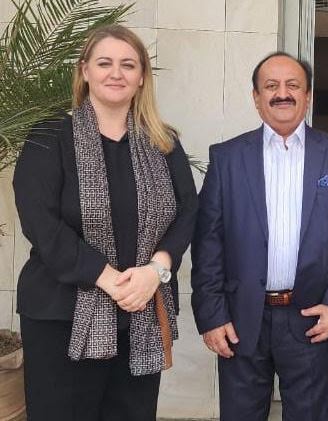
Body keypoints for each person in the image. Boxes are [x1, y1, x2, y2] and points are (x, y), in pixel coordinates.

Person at [13, 24, 198, 421]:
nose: (116, 73)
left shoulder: (163, 141)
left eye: (128, 64)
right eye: (104, 63)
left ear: (142, 76)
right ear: (84, 71)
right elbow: (40, 221)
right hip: (61, 315)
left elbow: (188, 212)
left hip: (140, 312)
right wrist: (107, 278)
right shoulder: (50, 135)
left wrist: (156, 270)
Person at [191, 52, 328, 421]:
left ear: (308, 95)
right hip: (240, 319)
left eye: (292, 85)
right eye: (271, 86)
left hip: (313, 319)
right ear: (256, 97)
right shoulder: (227, 157)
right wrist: (212, 315)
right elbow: (208, 242)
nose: (282, 93)